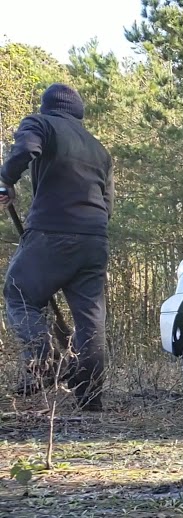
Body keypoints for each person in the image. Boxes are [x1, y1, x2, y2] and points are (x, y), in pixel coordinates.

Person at [0, 83, 113, 410]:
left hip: (52, 232)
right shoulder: (99, 149)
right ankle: (90, 400)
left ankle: (44, 363)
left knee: (19, 294)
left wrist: (5, 180)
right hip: (94, 239)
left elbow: (25, 149)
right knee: (91, 321)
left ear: (47, 106)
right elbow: (107, 203)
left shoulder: (40, 123)